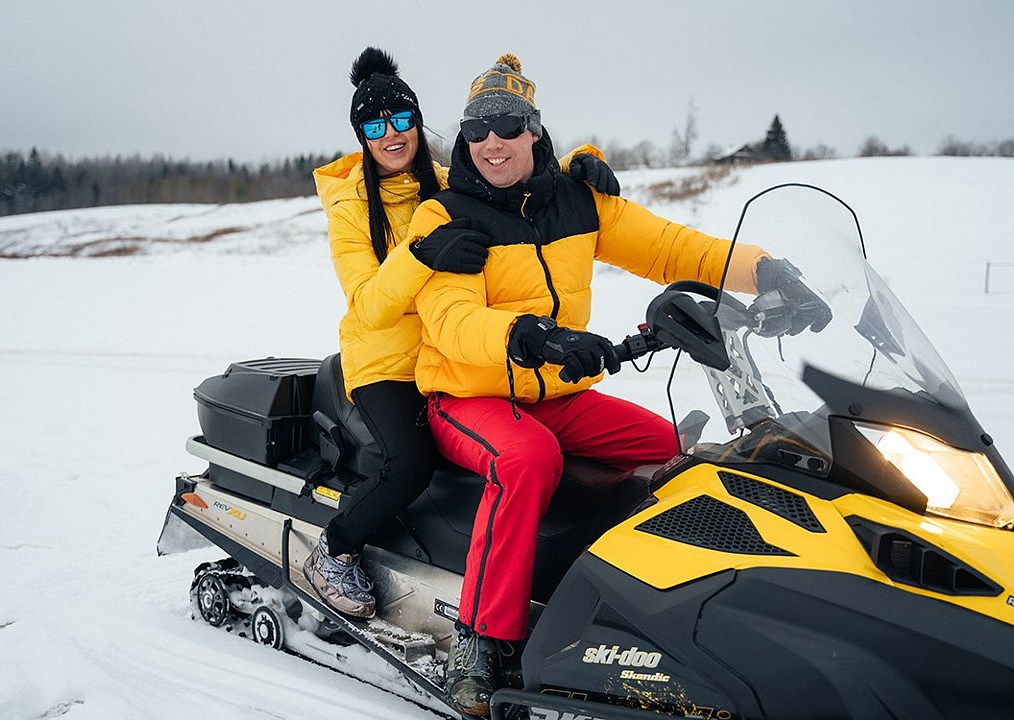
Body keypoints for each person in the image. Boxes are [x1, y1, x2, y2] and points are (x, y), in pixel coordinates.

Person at [407, 54, 824, 716]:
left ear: (534, 130)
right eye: (476, 130)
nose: (491, 143)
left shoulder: (578, 201)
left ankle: (648, 604)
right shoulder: (444, 216)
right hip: (467, 395)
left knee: (677, 452)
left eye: (507, 125)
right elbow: (451, 321)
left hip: (556, 396)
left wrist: (767, 271)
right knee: (527, 459)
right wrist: (534, 335)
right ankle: (478, 637)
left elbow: (673, 247)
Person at [307, 48, 622, 620]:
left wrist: (579, 165)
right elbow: (370, 305)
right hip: (389, 361)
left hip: (458, 356)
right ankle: (335, 548)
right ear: (361, 137)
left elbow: (511, 174)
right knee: (411, 464)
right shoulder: (350, 207)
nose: (391, 135)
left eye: (401, 120)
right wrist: (422, 255)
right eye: (375, 127)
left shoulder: (451, 182)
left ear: (418, 121)